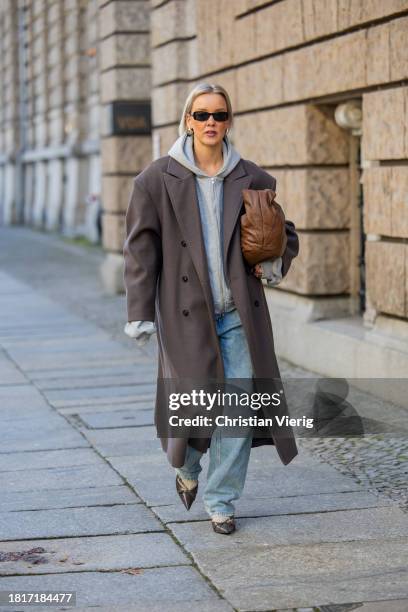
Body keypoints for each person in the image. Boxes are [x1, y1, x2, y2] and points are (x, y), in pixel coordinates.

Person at [123, 82, 299, 535]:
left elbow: (285, 232)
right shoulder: (156, 178)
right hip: (186, 317)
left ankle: (221, 501)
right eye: (201, 115)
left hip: (240, 316)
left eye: (219, 115)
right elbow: (141, 250)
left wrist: (272, 261)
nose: (210, 123)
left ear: (228, 120)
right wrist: (139, 312)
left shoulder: (252, 177)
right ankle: (188, 470)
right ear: (187, 120)